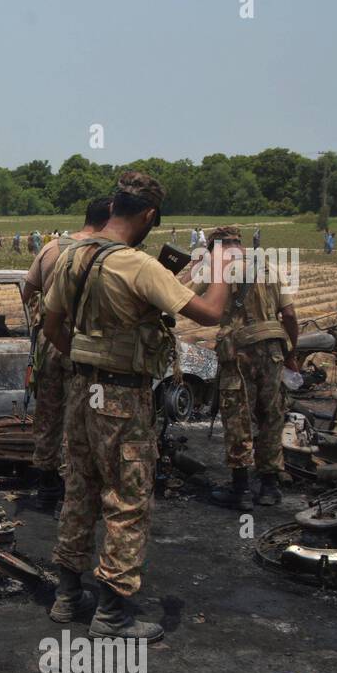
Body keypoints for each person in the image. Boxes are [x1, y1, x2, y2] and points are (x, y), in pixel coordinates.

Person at [40, 172, 231, 639]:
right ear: (148, 215)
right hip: (123, 396)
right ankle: (112, 614)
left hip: (81, 391)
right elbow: (211, 313)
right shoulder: (138, 265)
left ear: (112, 207)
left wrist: (86, 359)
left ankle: (67, 596)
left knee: (79, 490)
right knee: (127, 499)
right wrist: (225, 264)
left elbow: (51, 325)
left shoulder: (71, 255)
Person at [192, 227, 299, 510]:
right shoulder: (269, 267)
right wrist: (291, 354)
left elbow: (187, 300)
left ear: (215, 247)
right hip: (273, 351)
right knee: (271, 415)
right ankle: (269, 487)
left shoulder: (215, 268)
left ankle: (240, 490)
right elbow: (289, 314)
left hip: (238, 353)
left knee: (238, 416)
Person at [21, 196, 112, 511]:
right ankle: (75, 489)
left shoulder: (51, 248)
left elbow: (26, 291)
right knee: (82, 418)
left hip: (48, 341)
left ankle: (47, 486)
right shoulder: (106, 252)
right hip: (84, 345)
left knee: (48, 413)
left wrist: (45, 312)